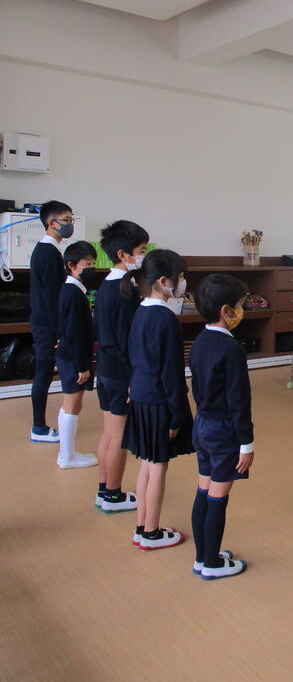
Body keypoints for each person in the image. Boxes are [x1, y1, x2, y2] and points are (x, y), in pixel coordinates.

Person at [122, 249, 193, 550]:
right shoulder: (166, 318)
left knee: (147, 464)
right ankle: (151, 532)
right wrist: (177, 415)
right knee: (158, 467)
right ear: (164, 281)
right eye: (181, 277)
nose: (183, 282)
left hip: (140, 396)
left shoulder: (141, 311)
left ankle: (142, 527)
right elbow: (171, 373)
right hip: (159, 402)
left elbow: (133, 356)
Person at [189, 274, 254, 580]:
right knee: (218, 495)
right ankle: (212, 564)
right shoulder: (231, 349)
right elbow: (239, 401)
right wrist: (247, 443)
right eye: (240, 305)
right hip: (224, 430)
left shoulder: (199, 341)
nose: (243, 311)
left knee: (204, 489)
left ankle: (202, 557)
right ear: (226, 311)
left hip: (202, 424)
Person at [94, 220, 149, 513]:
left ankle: (104, 490)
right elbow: (129, 339)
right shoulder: (124, 292)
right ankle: (113, 496)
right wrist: (133, 378)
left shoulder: (107, 284)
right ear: (122, 254)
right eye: (141, 250)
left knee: (109, 433)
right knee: (118, 436)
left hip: (106, 367)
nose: (143, 256)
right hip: (120, 371)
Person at [29, 200, 73, 443]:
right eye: (66, 220)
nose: (69, 224)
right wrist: (59, 330)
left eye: (71, 220)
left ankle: (41, 426)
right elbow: (51, 297)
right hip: (47, 324)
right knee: (43, 374)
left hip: (45, 322)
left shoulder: (50, 249)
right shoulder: (47, 252)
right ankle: (38, 427)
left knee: (45, 374)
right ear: (51, 223)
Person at [55, 241, 98, 469]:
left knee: (69, 403)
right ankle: (67, 456)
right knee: (73, 403)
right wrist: (82, 366)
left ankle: (66, 452)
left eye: (93, 263)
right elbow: (74, 333)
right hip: (73, 358)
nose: (91, 268)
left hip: (68, 354)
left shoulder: (73, 289)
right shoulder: (72, 293)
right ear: (71, 266)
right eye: (87, 264)